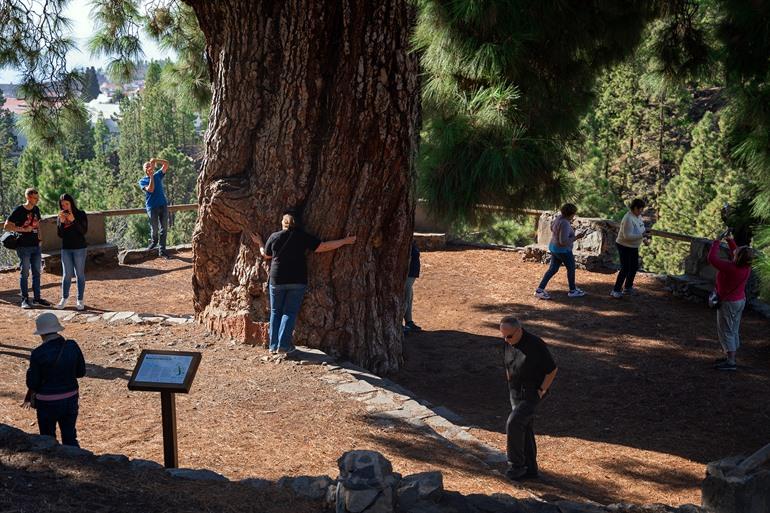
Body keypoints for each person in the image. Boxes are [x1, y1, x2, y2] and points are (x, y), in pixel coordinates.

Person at [250, 211, 357, 355]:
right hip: (297, 279)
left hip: (277, 279)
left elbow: (266, 254)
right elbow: (323, 246)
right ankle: (283, 346)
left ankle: (273, 346)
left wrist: (260, 243)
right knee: (289, 312)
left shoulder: (274, 236)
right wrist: (345, 241)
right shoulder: (302, 236)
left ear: (283, 223)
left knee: (275, 312)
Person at [500, 316, 557, 481]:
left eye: (509, 336)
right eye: (503, 336)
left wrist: (542, 390)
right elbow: (508, 364)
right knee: (524, 427)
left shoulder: (535, 344)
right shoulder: (508, 341)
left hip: (532, 392)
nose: (506, 340)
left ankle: (516, 466)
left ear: (519, 331)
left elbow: (552, 369)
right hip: (515, 391)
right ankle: (531, 470)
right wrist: (510, 383)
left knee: (514, 423)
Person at [23, 312, 86, 447]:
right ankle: (76, 458)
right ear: (57, 329)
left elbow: (33, 383)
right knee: (70, 436)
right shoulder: (72, 346)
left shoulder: (38, 353)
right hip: (70, 397)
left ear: (41, 334)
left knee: (47, 438)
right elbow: (81, 373)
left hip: (47, 402)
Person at [708, 231, 753, 371]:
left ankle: (731, 361)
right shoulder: (746, 266)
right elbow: (738, 252)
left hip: (729, 303)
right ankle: (730, 355)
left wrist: (717, 241)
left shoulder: (730, 268)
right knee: (733, 328)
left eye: (737, 251)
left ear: (738, 257)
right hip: (739, 300)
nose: (736, 250)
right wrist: (729, 240)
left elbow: (711, 259)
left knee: (726, 330)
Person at [3, 188, 50, 309]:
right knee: (24, 273)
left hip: (36, 246)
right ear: (28, 197)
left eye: (37, 198)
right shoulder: (19, 210)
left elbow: (38, 224)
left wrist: (40, 239)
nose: (37, 200)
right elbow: (6, 226)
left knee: (37, 273)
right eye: (35, 198)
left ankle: (37, 298)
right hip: (23, 246)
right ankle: (24, 300)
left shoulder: (36, 209)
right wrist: (23, 229)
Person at [534, 203, 586, 299]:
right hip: (563, 250)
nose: (574, 216)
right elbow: (563, 242)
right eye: (574, 214)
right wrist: (577, 237)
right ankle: (572, 291)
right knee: (571, 268)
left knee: (552, 269)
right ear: (570, 214)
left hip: (554, 247)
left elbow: (552, 228)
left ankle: (539, 290)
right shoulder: (565, 223)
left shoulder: (558, 218)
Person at [55, 194, 88, 311]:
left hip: (79, 248)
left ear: (71, 203)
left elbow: (84, 231)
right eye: (62, 205)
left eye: (67, 204)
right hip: (66, 249)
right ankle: (64, 298)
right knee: (67, 275)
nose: (65, 206)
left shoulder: (80, 214)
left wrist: (73, 220)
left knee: (79, 274)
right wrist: (62, 223)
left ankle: (80, 299)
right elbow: (60, 235)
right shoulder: (60, 216)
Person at [611, 198, 649, 299]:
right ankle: (616, 290)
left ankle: (628, 287)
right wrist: (642, 236)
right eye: (640, 209)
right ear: (635, 208)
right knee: (625, 268)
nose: (641, 211)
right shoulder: (628, 218)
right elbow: (627, 236)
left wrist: (644, 239)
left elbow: (641, 229)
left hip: (633, 246)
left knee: (634, 267)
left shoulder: (638, 216)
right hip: (624, 246)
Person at [138, 157, 170, 258]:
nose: (149, 167)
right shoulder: (142, 181)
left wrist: (156, 160)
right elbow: (150, 190)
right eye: (146, 167)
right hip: (152, 207)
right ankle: (154, 241)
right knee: (154, 228)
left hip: (163, 205)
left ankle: (162, 251)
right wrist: (151, 176)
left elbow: (166, 164)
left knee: (164, 228)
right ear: (144, 170)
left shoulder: (158, 175)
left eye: (150, 165)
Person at [404, 239, 421, 333]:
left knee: (409, 298)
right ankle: (398, 324)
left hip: (411, 274)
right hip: (407, 275)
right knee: (405, 298)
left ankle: (409, 322)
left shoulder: (410, 241)